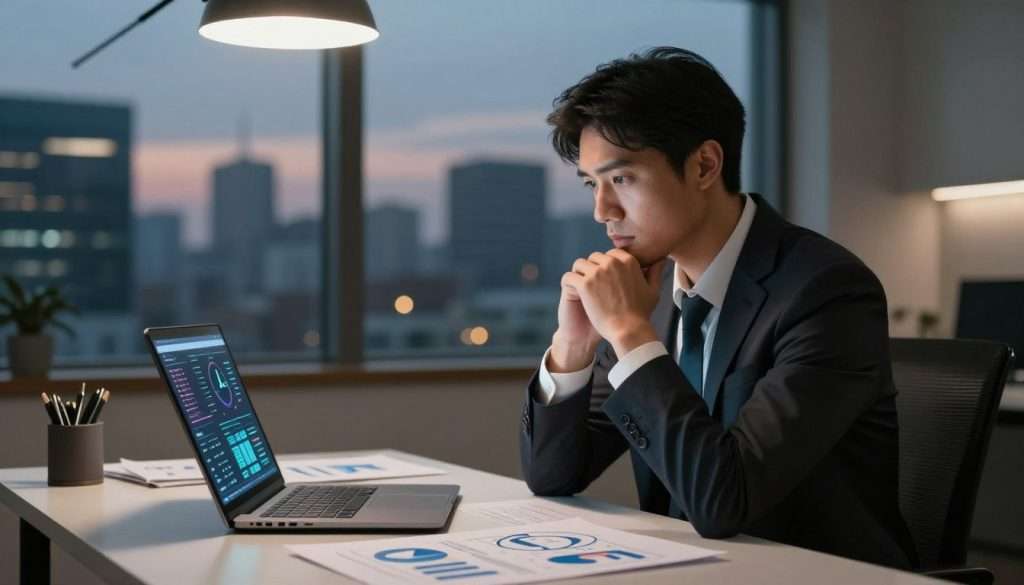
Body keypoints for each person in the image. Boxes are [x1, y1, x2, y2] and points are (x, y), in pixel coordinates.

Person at [518, 47, 918, 569]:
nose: (602, 211)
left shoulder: (827, 291)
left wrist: (628, 331)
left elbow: (725, 501)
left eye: (622, 179)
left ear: (705, 165)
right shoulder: (649, 295)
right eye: (593, 184)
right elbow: (553, 476)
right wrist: (572, 346)